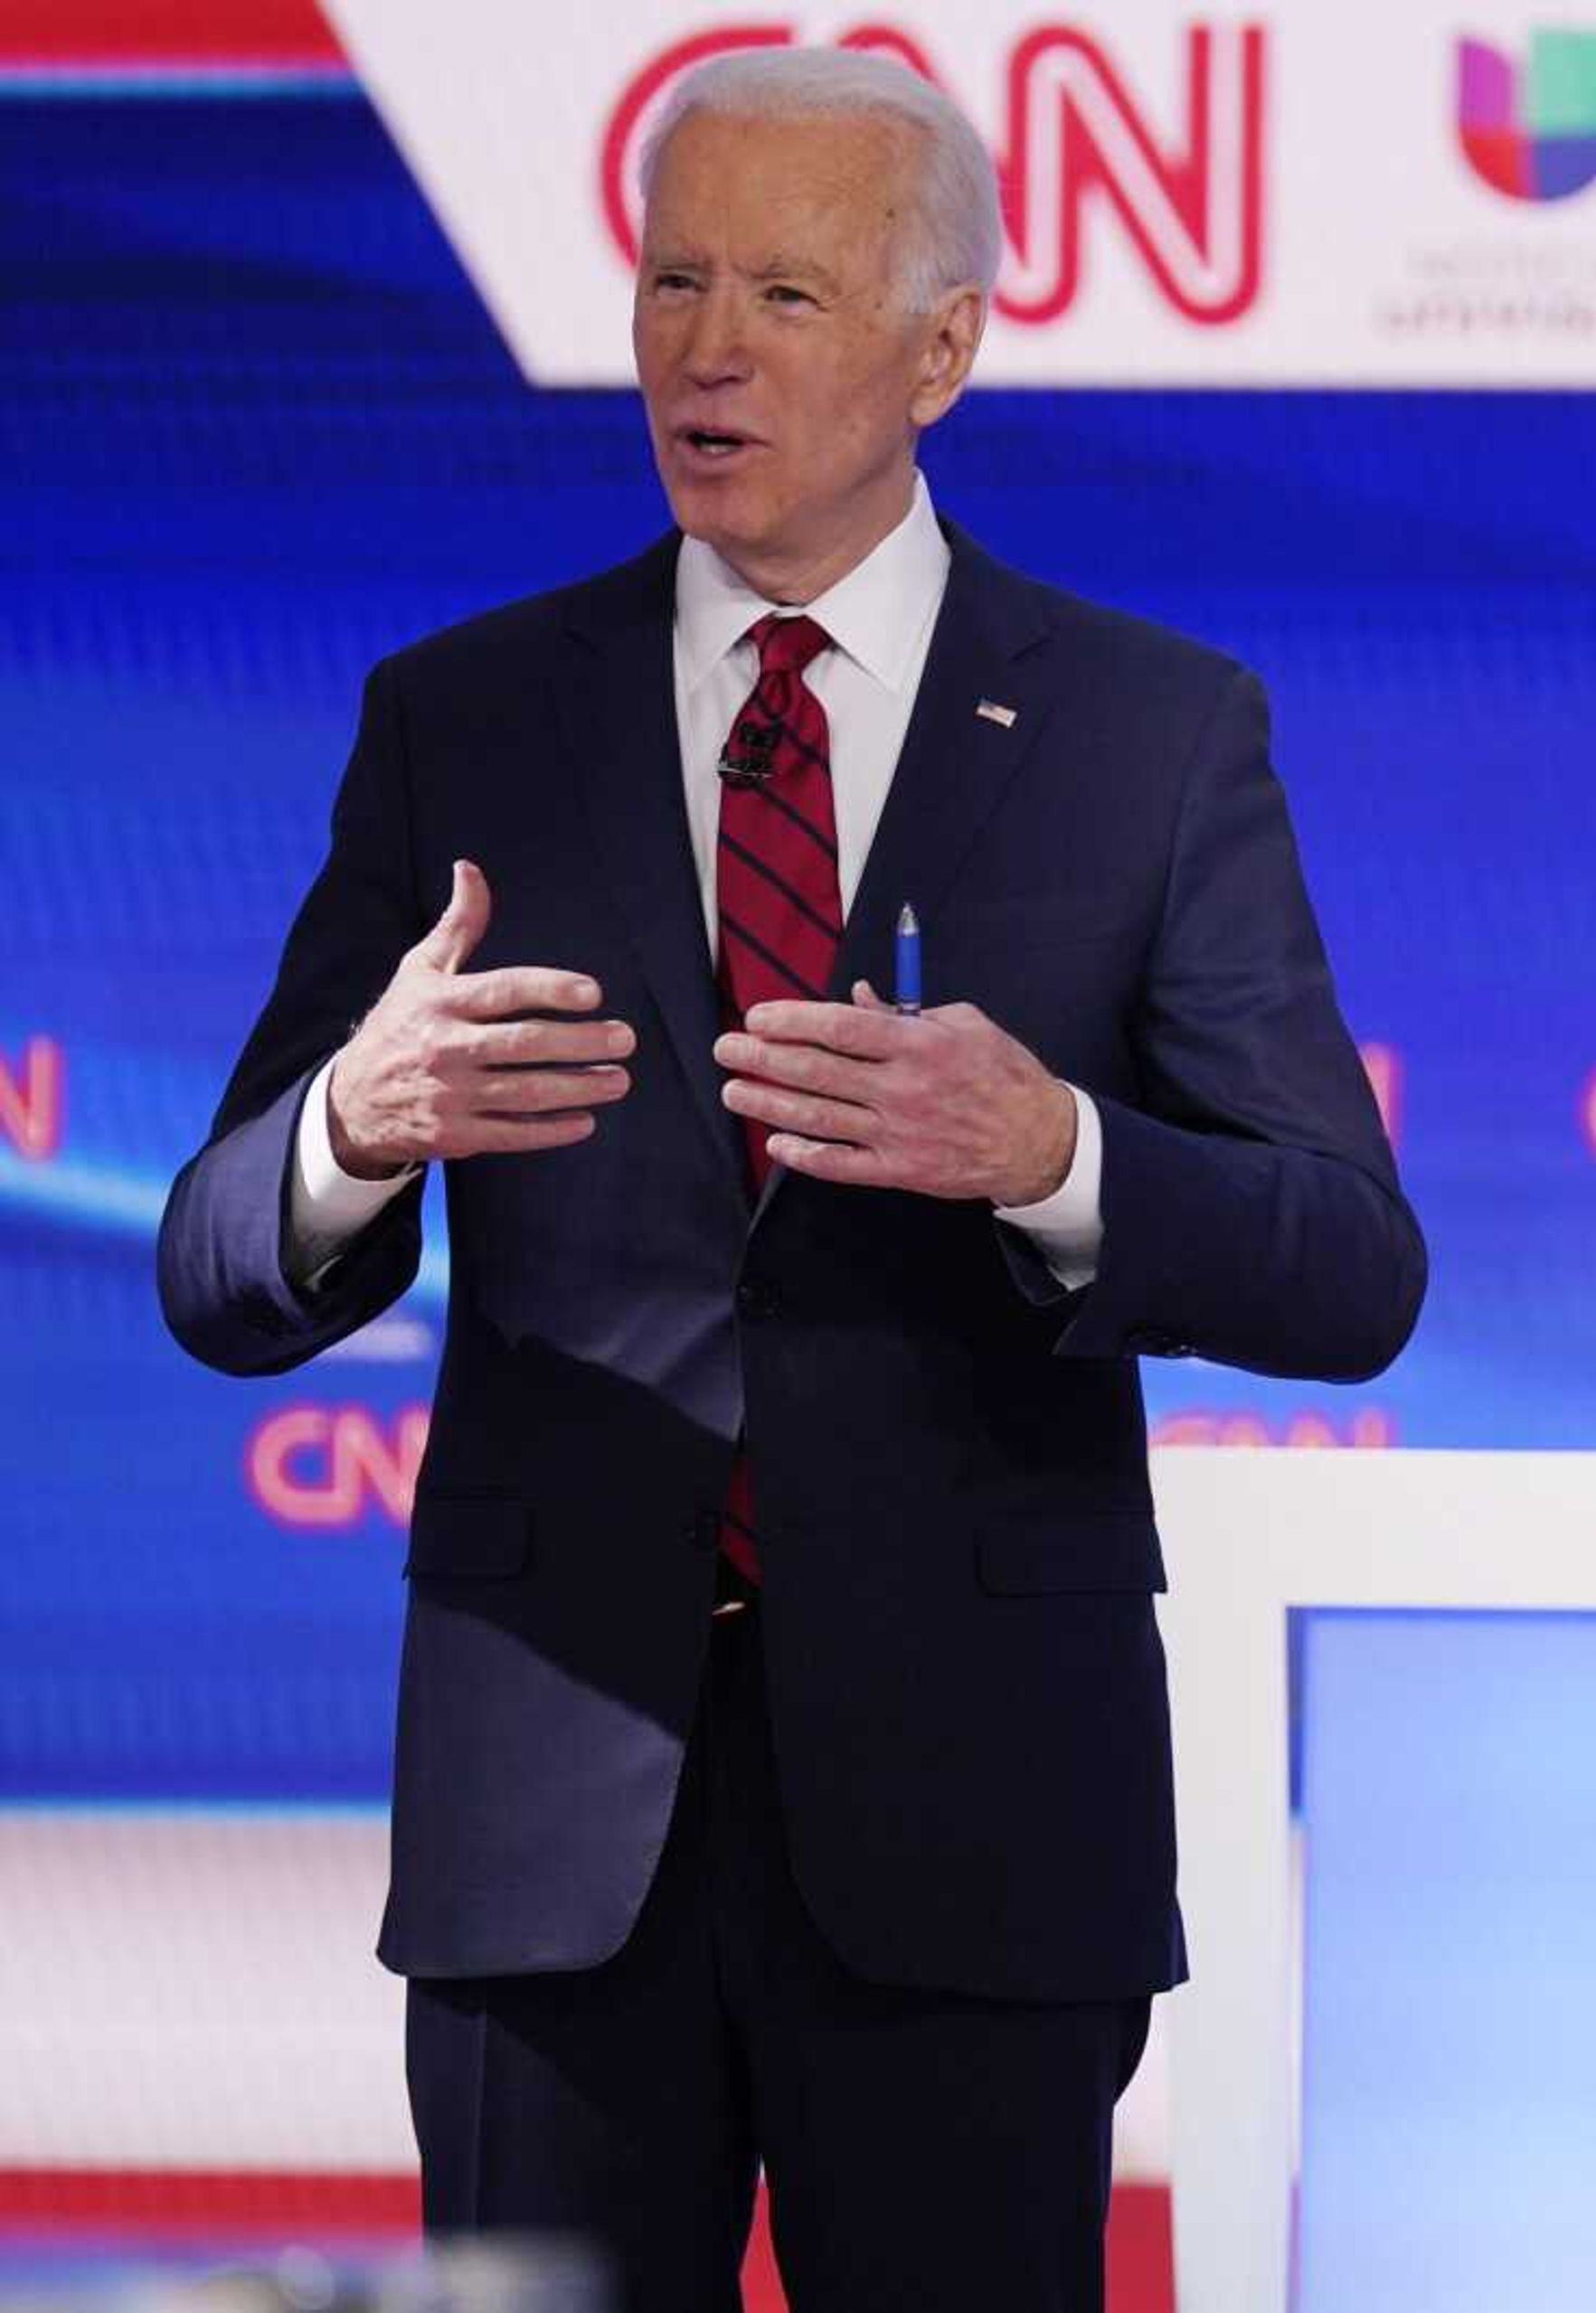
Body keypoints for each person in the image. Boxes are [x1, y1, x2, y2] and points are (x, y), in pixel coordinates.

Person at [155, 48, 1421, 2311]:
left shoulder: (1152, 735)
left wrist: (1056, 1155)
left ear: (944, 347)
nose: (705, 348)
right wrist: (357, 1121)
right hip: (554, 1823)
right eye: (672, 281)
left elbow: (1350, 1263)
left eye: (787, 296)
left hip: (976, 1819)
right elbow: (221, 1269)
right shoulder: (467, 718)